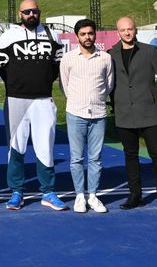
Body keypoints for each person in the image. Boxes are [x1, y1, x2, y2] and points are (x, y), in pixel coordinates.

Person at [0, 0, 67, 211]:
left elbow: (56, 65)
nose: (31, 15)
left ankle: (48, 191)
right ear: (20, 14)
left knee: (45, 147)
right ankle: (16, 191)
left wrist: (41, 82)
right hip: (16, 99)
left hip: (43, 99)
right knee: (15, 147)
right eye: (26, 12)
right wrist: (17, 84)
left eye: (34, 11)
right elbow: (1, 66)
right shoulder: (8, 36)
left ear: (39, 12)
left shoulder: (52, 35)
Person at [108, 16, 157, 215]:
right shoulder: (110, 54)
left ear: (136, 30)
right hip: (124, 115)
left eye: (130, 29)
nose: (127, 33)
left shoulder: (150, 51)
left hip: (149, 114)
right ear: (118, 32)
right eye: (123, 30)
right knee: (130, 157)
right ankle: (135, 195)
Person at [60, 18, 114, 214]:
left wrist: (95, 100)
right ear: (77, 37)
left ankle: (92, 195)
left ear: (95, 35)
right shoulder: (68, 58)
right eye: (83, 34)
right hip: (75, 114)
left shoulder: (105, 58)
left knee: (96, 158)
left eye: (90, 33)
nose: (87, 37)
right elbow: (65, 85)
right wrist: (79, 101)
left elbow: (109, 84)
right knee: (76, 158)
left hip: (99, 113)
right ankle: (79, 196)